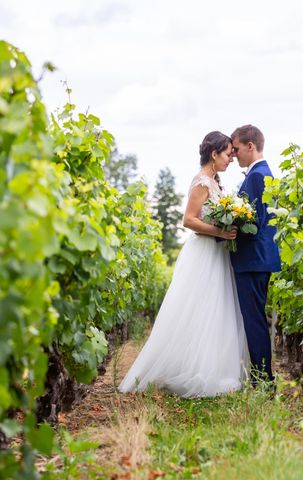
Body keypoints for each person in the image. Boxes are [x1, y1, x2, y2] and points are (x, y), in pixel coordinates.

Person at [118, 131, 248, 398]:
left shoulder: (215, 182)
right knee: (198, 308)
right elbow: (188, 220)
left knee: (215, 310)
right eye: (227, 154)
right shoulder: (201, 182)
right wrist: (221, 232)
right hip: (203, 253)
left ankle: (211, 369)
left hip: (217, 253)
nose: (230, 160)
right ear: (214, 154)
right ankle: (194, 371)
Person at [230, 125, 281, 384]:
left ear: (251, 146)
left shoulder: (257, 176)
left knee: (254, 320)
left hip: (252, 259)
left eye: (236, 149)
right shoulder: (263, 173)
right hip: (259, 259)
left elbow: (254, 222)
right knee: (256, 318)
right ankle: (262, 378)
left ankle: (263, 381)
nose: (234, 154)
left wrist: (226, 230)